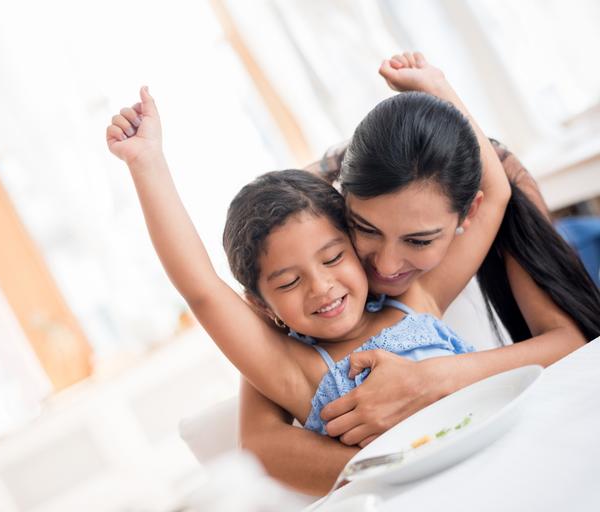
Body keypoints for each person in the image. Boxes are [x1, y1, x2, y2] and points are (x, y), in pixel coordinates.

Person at [239, 52, 600, 495]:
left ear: (468, 214)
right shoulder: (305, 251)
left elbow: (567, 339)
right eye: (364, 229)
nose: (387, 266)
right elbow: (259, 441)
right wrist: (404, 456)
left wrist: (433, 381)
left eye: (420, 240)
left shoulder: (496, 188)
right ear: (341, 203)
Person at [106, 69, 514, 439]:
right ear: (263, 307)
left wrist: (440, 93)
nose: (321, 286)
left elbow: (495, 194)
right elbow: (202, 289)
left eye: (334, 258)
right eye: (288, 281)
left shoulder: (417, 302)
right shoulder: (295, 370)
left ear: (354, 245)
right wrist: (147, 164)